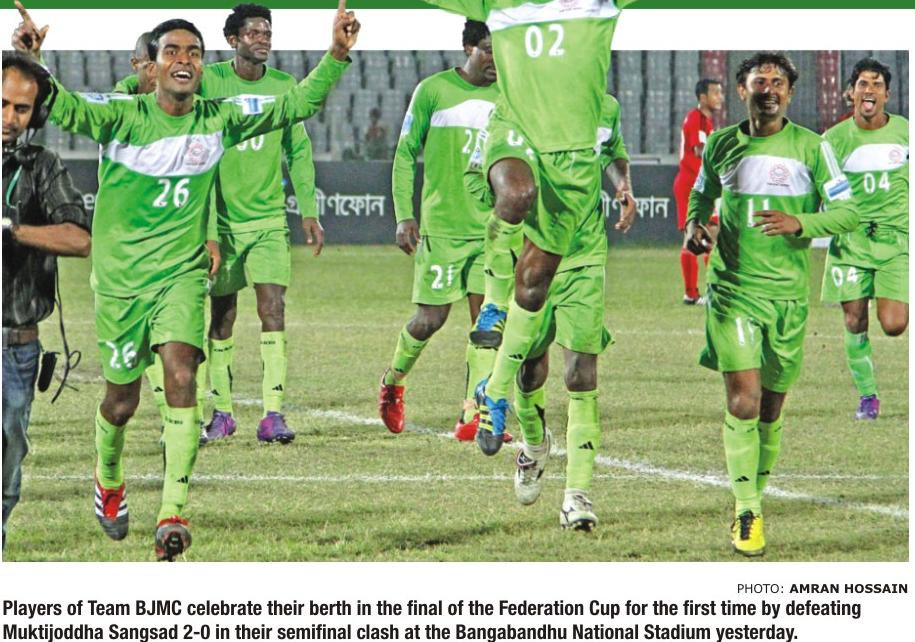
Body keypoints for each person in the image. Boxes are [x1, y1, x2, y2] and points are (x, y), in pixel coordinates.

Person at [12, 0, 358, 560]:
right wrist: (31, 59)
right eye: (172, 51)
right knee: (121, 402)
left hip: (180, 277)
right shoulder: (121, 116)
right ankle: (109, 475)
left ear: (202, 65)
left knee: (180, 375)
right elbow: (64, 106)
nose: (184, 60)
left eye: (193, 53)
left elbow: (296, 104)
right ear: (151, 66)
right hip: (122, 284)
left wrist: (337, 54)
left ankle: (173, 513)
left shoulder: (219, 119)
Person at [421, 0, 637, 456]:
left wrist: (623, 184)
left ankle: (495, 391)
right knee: (516, 194)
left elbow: (614, 150)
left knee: (534, 290)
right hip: (516, 130)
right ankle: (492, 306)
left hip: (570, 159)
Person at [684, 52, 860, 557]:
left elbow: (848, 212)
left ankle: (754, 495)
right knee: (743, 399)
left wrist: (801, 222)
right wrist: (696, 226)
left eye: (778, 82)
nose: (769, 89)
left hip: (787, 298)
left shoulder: (812, 148)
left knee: (770, 408)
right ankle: (748, 510)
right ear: (742, 91)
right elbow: (701, 197)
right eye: (759, 81)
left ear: (789, 93)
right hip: (733, 290)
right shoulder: (722, 145)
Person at [507, 94, 635, 531]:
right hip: (534, 255)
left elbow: (613, 150)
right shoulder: (525, 102)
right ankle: (534, 444)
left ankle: (576, 495)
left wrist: (622, 184)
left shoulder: (605, 106)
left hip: (585, 256)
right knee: (529, 371)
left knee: (581, 373)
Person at [201, 2, 325, 445]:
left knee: (273, 308)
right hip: (222, 224)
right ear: (233, 40)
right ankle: (222, 413)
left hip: (269, 219)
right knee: (222, 316)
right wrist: (206, 230)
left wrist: (308, 209)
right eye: (253, 32)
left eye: (267, 32)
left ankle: (273, 415)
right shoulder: (209, 81)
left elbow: (299, 151)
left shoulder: (284, 86)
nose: (263, 39)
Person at [378, 20, 504, 440]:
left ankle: (473, 414)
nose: (496, 58)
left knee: (487, 324)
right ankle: (393, 380)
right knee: (430, 320)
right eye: (488, 49)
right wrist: (404, 214)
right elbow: (404, 153)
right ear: (468, 47)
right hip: (443, 229)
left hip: (491, 231)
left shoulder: (510, 96)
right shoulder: (433, 90)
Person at [2, 52, 91, 548]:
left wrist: (14, 231)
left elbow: (79, 239)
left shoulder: (42, 166)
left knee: (7, 457)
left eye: (21, 109)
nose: (10, 118)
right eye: (2, 104)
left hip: (15, 347)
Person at [821, 58, 908, 420]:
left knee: (894, 324)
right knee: (854, 319)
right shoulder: (833, 140)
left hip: (895, 241)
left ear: (887, 95)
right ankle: (868, 397)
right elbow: (820, 189)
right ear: (850, 93)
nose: (869, 89)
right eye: (862, 83)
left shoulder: (905, 132)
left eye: (876, 84)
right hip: (852, 242)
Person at [673, 78, 722, 305]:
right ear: (703, 97)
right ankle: (697, 293)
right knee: (700, 234)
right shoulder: (697, 119)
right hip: (692, 184)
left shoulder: (705, 121)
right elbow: (699, 150)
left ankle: (699, 293)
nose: (719, 97)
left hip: (699, 184)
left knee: (708, 233)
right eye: (715, 93)